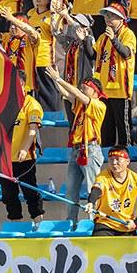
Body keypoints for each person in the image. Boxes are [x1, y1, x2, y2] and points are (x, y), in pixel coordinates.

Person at [49, 67, 105, 219]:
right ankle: (71, 222)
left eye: (85, 88)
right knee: (71, 191)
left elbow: (76, 94)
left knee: (92, 189)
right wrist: (55, 79)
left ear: (95, 91)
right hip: (76, 150)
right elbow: (66, 93)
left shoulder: (99, 105)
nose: (82, 89)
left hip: (90, 149)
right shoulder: (80, 105)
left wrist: (59, 79)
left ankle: (94, 221)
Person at [0, 70, 44, 224]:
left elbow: (33, 130)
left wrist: (24, 149)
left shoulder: (32, 104)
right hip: (5, 160)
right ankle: (16, 226)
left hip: (24, 158)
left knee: (31, 193)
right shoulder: (3, 102)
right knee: (9, 196)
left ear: (23, 84)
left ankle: (38, 224)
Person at [94, 3, 135, 146]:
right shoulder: (103, 37)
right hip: (104, 90)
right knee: (106, 130)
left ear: (121, 19)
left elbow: (126, 53)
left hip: (120, 90)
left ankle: (126, 154)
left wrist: (114, 39)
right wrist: (84, 39)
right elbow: (93, 55)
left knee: (124, 130)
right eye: (106, 16)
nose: (107, 18)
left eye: (111, 16)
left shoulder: (128, 34)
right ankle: (107, 155)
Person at [87, 147, 137, 235]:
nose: (114, 163)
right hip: (105, 224)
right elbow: (97, 190)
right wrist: (91, 202)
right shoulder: (103, 177)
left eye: (118, 159)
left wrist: (135, 222)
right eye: (111, 159)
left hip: (127, 225)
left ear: (127, 161)